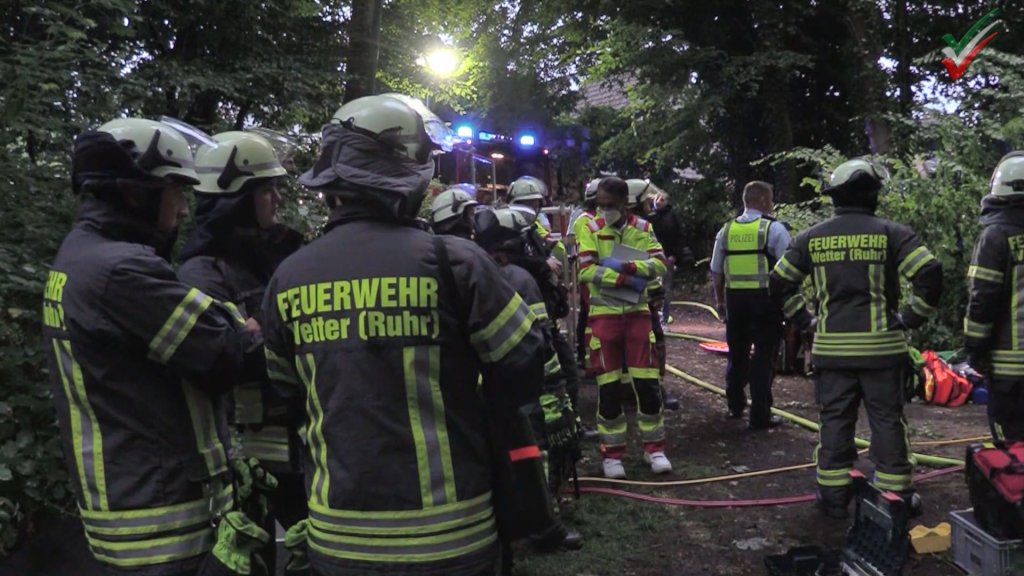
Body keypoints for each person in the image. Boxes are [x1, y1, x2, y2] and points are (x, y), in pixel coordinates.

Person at [261, 93, 569, 576]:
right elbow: (525, 367)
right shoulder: (456, 263)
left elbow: (284, 389)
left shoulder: (288, 277)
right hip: (454, 537)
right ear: (410, 179)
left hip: (337, 538)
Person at [42, 118, 271, 575]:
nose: (185, 209)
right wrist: (242, 326)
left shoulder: (81, 254)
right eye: (176, 193)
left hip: (130, 506)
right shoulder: (123, 272)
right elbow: (225, 356)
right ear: (136, 192)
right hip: (163, 521)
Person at [770, 158, 943, 519]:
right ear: (873, 196)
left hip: (832, 351)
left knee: (834, 421)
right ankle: (893, 498)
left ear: (836, 197)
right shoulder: (892, 233)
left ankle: (833, 497)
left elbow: (779, 281)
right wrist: (910, 317)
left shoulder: (811, 237)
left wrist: (805, 320)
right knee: (886, 421)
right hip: (883, 350)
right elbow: (929, 272)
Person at [177, 131, 307, 568]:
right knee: (253, 558)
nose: (276, 198)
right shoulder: (202, 272)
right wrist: (274, 332)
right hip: (244, 452)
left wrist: (260, 328)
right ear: (236, 198)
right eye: (265, 189)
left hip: (299, 440)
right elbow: (227, 354)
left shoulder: (281, 254)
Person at [473, 208, 583, 544]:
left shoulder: (475, 275)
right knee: (536, 447)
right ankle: (544, 519)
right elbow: (539, 342)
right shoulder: (518, 278)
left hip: (489, 388)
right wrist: (555, 386)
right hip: (529, 385)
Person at [578, 177, 671, 478]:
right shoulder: (590, 227)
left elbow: (658, 264)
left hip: (636, 315)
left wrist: (627, 267)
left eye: (609, 205)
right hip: (604, 316)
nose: (603, 211)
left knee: (647, 385)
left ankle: (654, 449)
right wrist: (629, 280)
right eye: (600, 205)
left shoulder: (643, 229)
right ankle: (612, 454)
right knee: (608, 389)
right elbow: (586, 271)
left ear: (624, 204)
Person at [710, 181, 792, 430]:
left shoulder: (727, 230)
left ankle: (735, 405)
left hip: (736, 301)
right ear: (765, 201)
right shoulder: (775, 230)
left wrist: (720, 300)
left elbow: (716, 270)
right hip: (766, 302)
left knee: (737, 354)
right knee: (764, 358)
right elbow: (788, 269)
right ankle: (760, 415)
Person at [964, 152, 1024, 442]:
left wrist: (975, 347)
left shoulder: (996, 237)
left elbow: (983, 298)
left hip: (1010, 366)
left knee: (1011, 447)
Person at [646, 189, 693, 325]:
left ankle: (664, 317)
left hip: (668, 257)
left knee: (665, 288)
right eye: (657, 199)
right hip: (650, 258)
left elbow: (679, 237)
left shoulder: (673, 217)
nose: (658, 202)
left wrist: (674, 255)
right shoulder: (650, 217)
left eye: (662, 199)